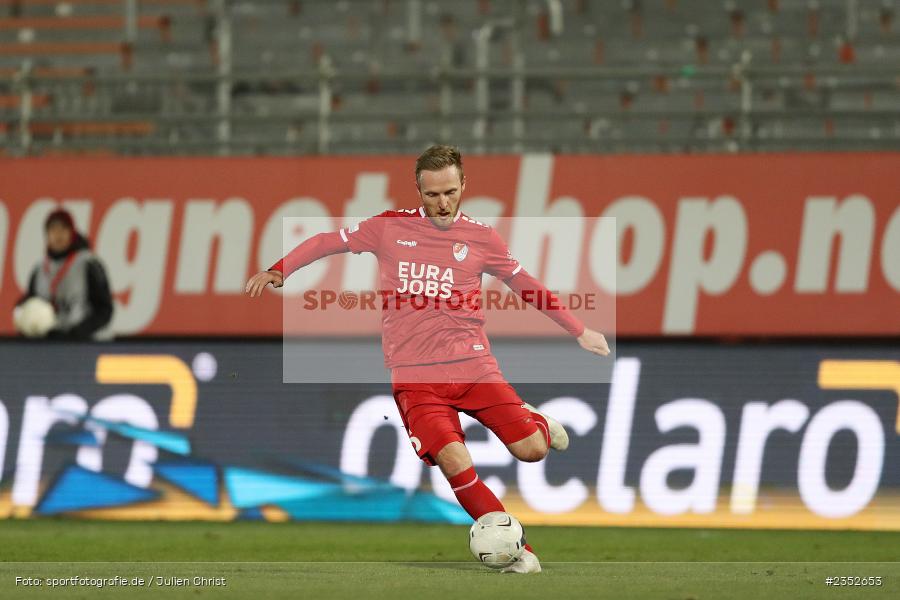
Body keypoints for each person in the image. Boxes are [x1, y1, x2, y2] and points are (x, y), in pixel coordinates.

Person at [246, 145, 609, 573]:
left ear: (463, 186)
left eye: (450, 192)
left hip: (474, 368)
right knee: (455, 460)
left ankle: (539, 424)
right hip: (416, 380)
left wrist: (578, 329)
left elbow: (526, 284)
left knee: (531, 451)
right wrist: (280, 269)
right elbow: (329, 241)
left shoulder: (482, 238)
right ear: (418, 189)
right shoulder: (388, 228)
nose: (442, 203)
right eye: (432, 194)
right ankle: (519, 551)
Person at [16, 208, 114, 340]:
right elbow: (32, 302)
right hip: (51, 344)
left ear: (72, 233)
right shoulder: (39, 270)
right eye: (53, 230)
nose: (58, 235)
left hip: (87, 343)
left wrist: (80, 332)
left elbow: (104, 309)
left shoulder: (88, 264)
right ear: (47, 235)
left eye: (63, 229)